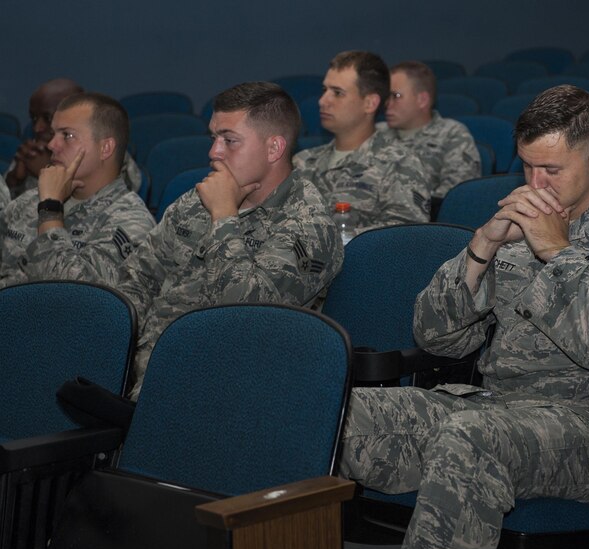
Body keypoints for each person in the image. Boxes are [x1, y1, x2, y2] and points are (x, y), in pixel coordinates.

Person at [338, 85, 589, 549]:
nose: (534, 183)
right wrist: (480, 249)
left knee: (470, 440)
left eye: (551, 169)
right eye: (526, 166)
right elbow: (436, 337)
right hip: (494, 405)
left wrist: (557, 254)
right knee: (335, 415)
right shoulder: (517, 222)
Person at [118, 82, 343, 397]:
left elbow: (241, 319)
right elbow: (137, 279)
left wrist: (224, 216)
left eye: (229, 140)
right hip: (144, 371)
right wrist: (116, 353)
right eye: (214, 138)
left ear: (274, 148)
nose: (213, 152)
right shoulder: (194, 202)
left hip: (222, 385)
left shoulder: (309, 226)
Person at [0, 92, 154, 287]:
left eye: (67, 135)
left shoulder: (132, 222)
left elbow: (72, 301)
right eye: (54, 133)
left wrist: (50, 212)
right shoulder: (29, 202)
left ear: (105, 148)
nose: (52, 145)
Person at [292, 51, 431, 231]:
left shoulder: (400, 164)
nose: (322, 101)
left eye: (337, 93)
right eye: (324, 90)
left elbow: (404, 240)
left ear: (370, 103)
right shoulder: (302, 161)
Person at [5, 78, 141, 199]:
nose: (37, 128)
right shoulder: (34, 150)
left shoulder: (106, 154)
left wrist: (47, 172)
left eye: (47, 118)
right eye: (34, 118)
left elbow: (112, 203)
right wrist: (15, 180)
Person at [378, 60, 480, 205]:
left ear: (422, 100)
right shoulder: (376, 133)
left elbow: (455, 196)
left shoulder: (452, 134)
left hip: (425, 222)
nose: (387, 103)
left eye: (396, 96)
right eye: (386, 96)